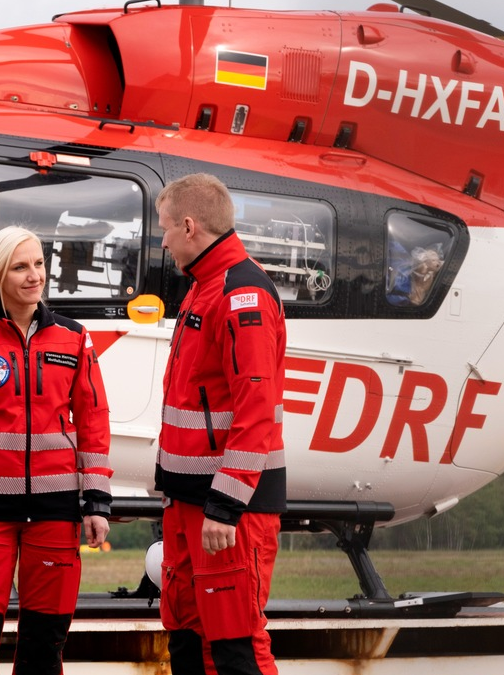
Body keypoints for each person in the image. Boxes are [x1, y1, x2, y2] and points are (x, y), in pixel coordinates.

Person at [0, 225, 113, 675]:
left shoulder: (75, 338)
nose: (34, 276)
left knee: (42, 650)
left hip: (55, 512)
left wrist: (97, 502)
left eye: (39, 264)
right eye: (20, 267)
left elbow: (93, 423)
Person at [154, 173, 287, 675]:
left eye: (166, 228)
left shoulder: (241, 293)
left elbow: (256, 409)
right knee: (187, 635)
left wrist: (226, 505)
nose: (163, 241)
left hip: (227, 509)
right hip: (190, 500)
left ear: (189, 227)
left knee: (236, 643)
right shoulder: (204, 287)